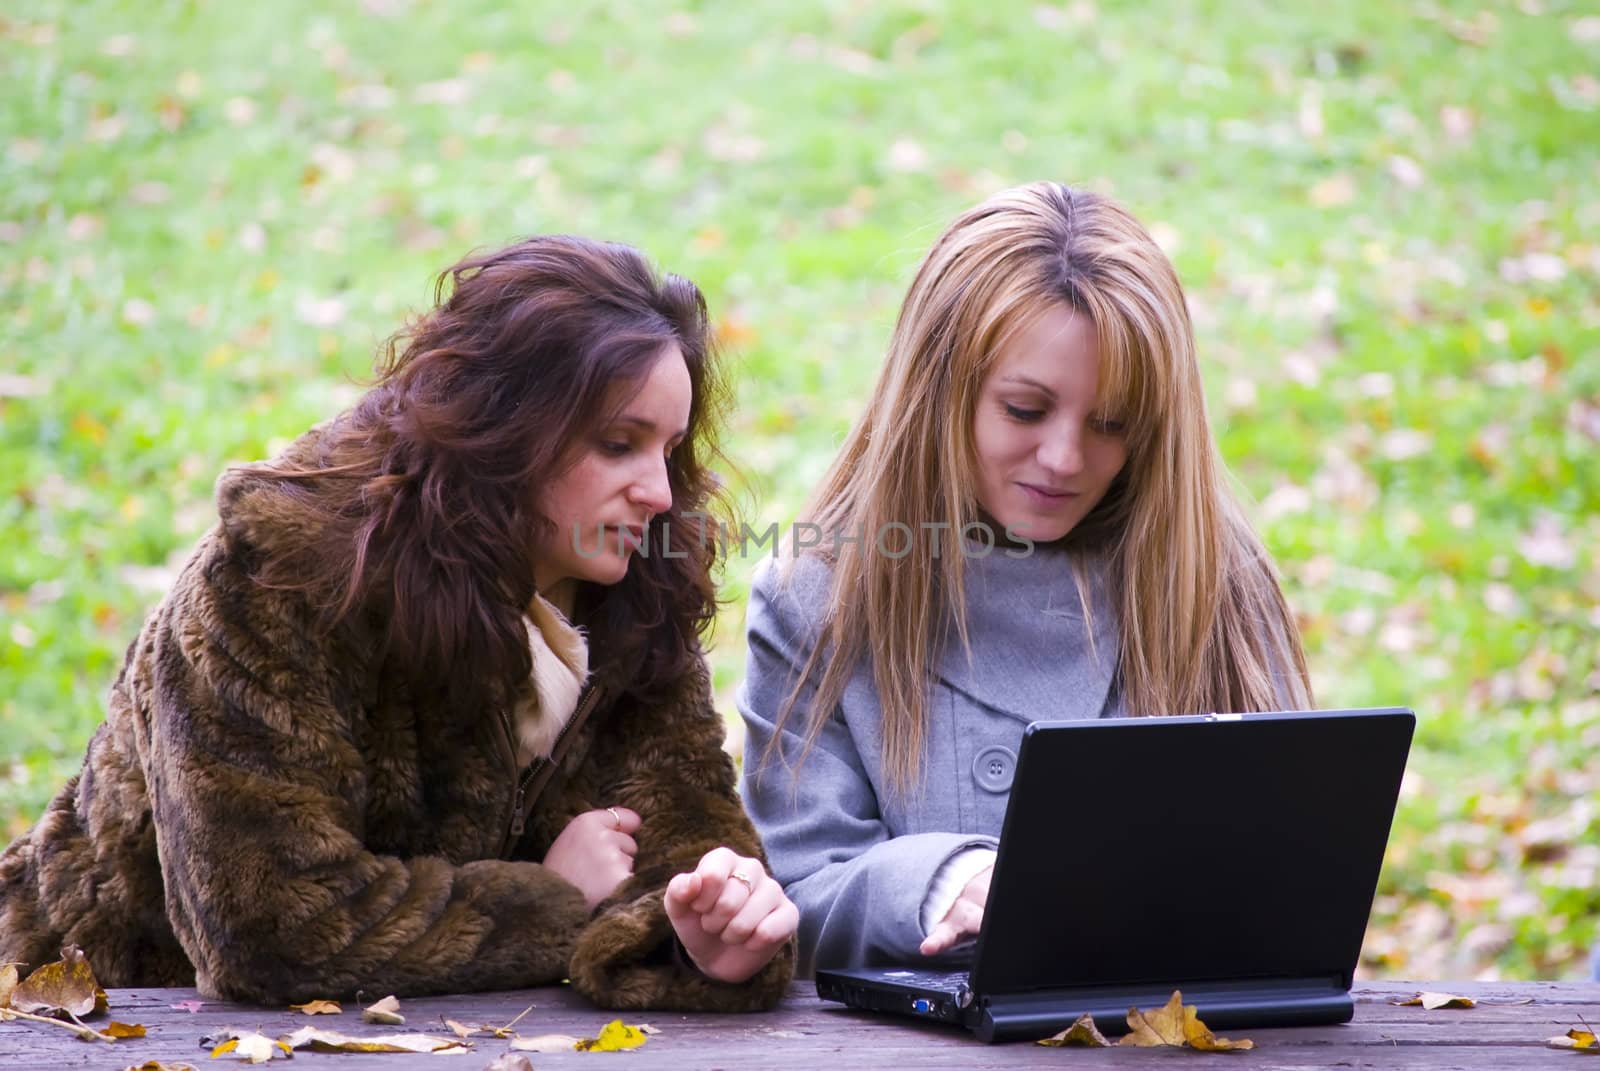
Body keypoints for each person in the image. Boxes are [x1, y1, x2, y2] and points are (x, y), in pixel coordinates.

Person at [0, 235, 798, 1009]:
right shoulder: (283, 574)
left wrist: (713, 936)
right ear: (507, 432)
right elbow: (265, 923)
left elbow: (692, 844)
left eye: (670, 449)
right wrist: (552, 901)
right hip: (92, 1010)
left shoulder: (636, 598)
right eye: (620, 444)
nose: (659, 491)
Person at [738, 182, 1312, 977]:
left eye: (1112, 423)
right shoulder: (821, 595)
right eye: (1024, 409)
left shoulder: (1216, 581)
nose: (1067, 459)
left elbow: (1293, 870)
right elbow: (791, 891)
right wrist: (942, 880)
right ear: (938, 392)